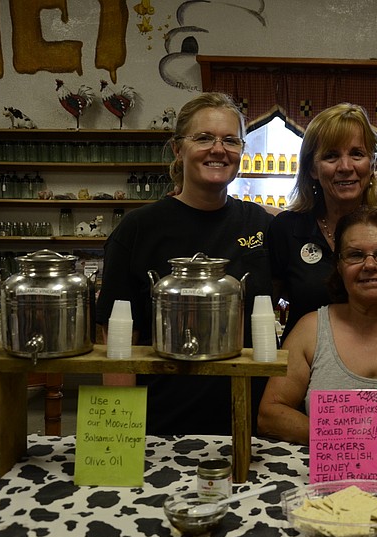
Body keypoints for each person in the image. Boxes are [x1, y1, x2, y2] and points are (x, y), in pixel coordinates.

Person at [97, 92, 273, 436]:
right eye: (204, 138)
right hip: (163, 424)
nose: (218, 149)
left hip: (251, 421)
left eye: (230, 140)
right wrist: (119, 437)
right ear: (178, 149)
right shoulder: (138, 229)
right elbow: (117, 345)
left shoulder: (261, 224)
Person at [258, 205, 377, 458]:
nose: (370, 265)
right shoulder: (311, 329)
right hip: (325, 489)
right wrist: (348, 437)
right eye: (355, 255)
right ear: (338, 265)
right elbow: (269, 416)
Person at [267, 103, 377, 340]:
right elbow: (262, 311)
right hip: (306, 363)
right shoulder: (286, 229)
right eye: (331, 156)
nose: (346, 167)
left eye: (357, 154)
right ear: (313, 168)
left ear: (371, 163)